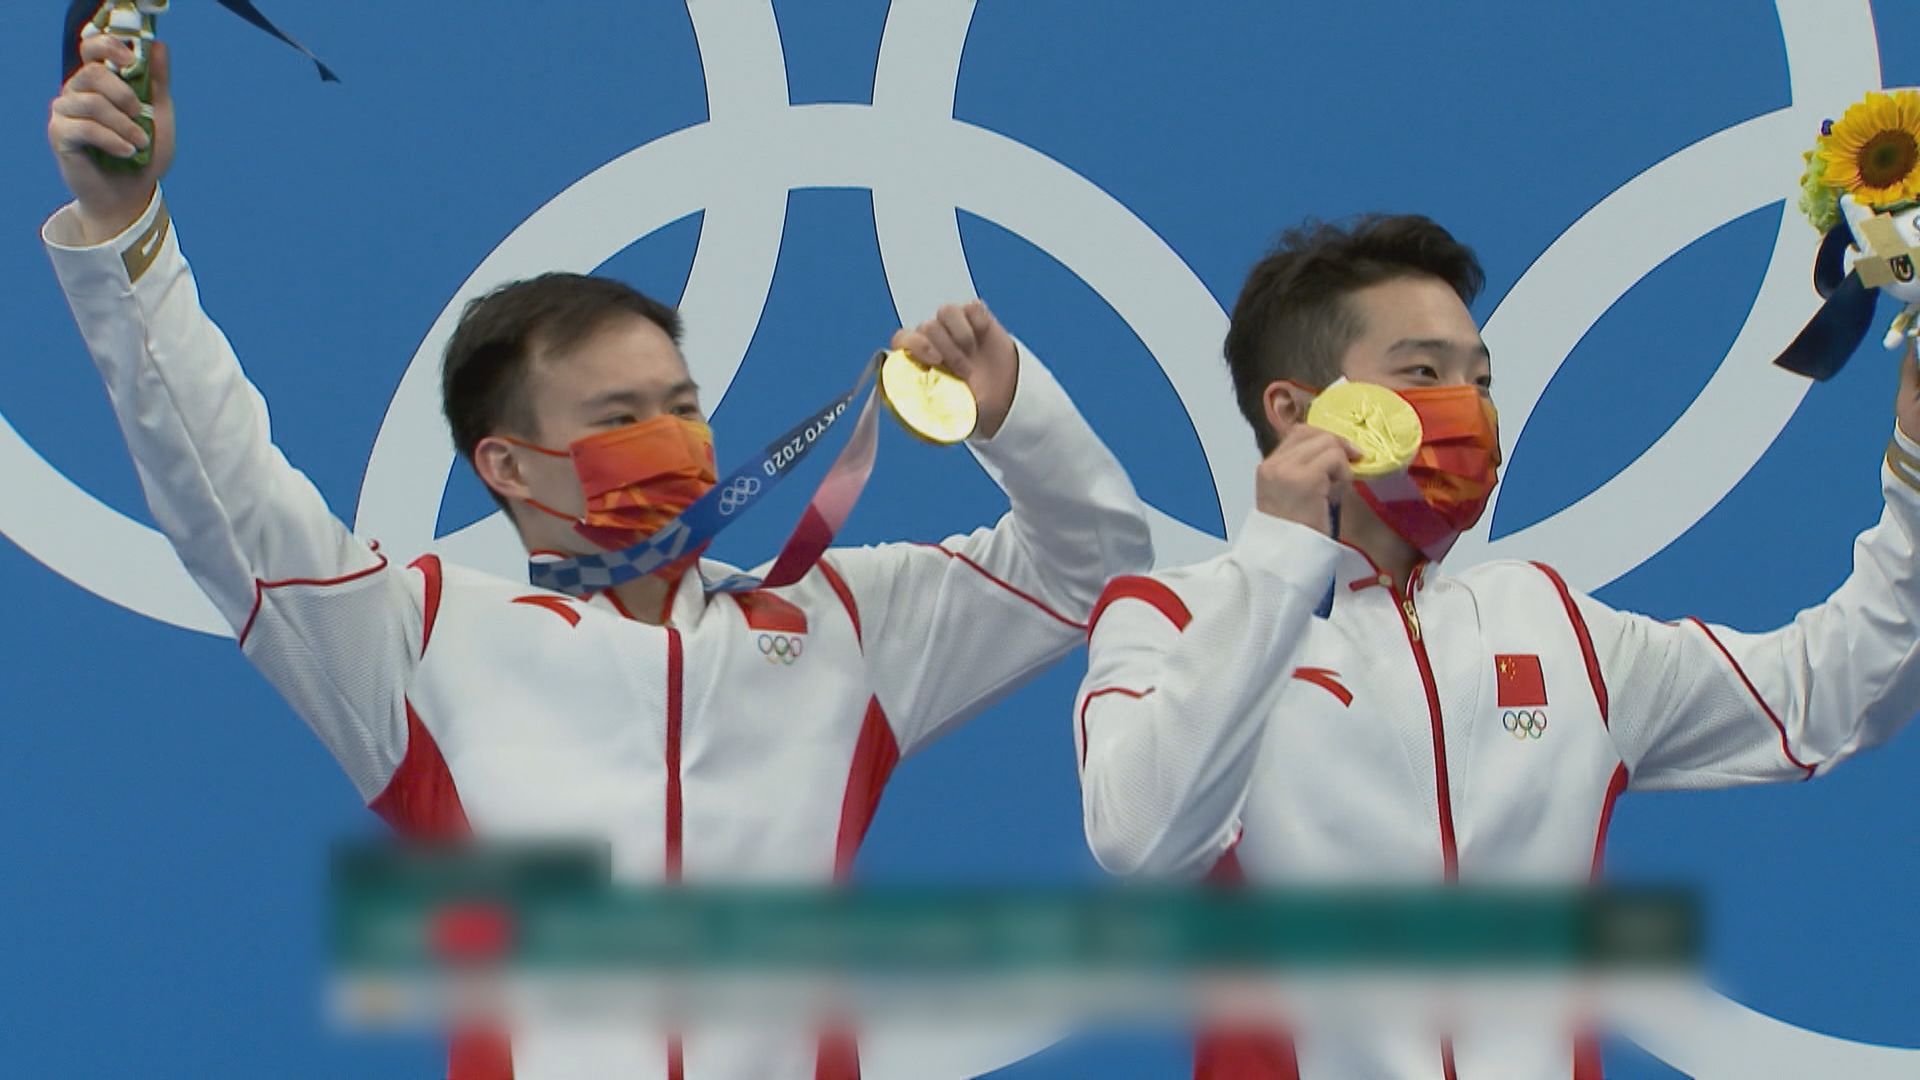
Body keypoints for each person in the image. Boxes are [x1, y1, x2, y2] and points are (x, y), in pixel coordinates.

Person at [44, 34, 1153, 1080]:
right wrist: (126, 227)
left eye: (682, 406)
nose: (672, 438)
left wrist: (1013, 413)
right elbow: (219, 488)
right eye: (621, 417)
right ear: (510, 465)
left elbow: (1095, 569)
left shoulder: (841, 624)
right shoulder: (418, 643)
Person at [1074, 213, 1920, 1078]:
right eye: (1423, 373)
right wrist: (1281, 558)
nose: (1468, 409)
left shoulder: (1549, 625)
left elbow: (1826, 695)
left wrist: (1918, 473)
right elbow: (1140, 836)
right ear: (1296, 411)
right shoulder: (1173, 619)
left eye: (1480, 380)